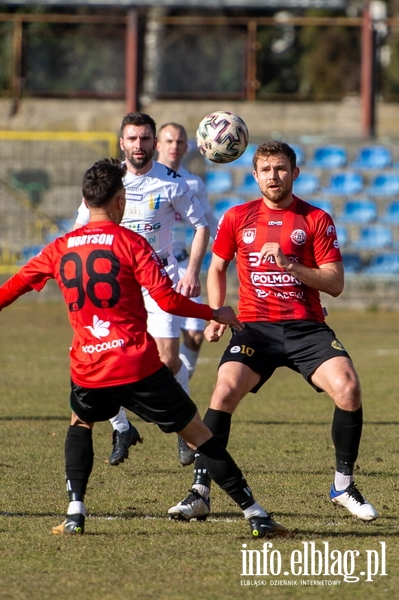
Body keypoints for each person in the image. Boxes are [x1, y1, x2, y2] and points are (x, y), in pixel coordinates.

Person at [0, 158, 291, 539]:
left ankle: (75, 513)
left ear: (85, 202)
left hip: (90, 368)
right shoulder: (130, 242)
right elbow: (168, 301)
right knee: (200, 435)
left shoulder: (60, 247)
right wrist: (212, 312)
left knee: (81, 422)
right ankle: (256, 514)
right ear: (121, 201)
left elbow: (13, 287)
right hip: (137, 365)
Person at [168, 141, 378, 523]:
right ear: (254, 175)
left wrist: (292, 266)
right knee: (224, 391)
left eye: (281, 169)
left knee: (348, 388)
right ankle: (199, 491)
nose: (273, 176)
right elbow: (216, 268)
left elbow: (335, 283)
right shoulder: (237, 217)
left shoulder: (316, 219)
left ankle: (343, 485)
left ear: (294, 173)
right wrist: (217, 313)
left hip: (306, 328)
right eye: (266, 170)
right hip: (255, 330)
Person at [73, 112, 210, 467]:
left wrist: (191, 272)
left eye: (145, 139)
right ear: (122, 142)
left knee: (166, 360)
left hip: (158, 281)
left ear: (154, 143)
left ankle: (183, 427)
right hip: (114, 287)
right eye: (132, 139)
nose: (139, 145)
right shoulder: (106, 182)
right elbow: (78, 228)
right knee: (104, 358)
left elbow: (201, 227)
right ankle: (122, 427)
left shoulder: (173, 183)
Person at [156, 122, 218, 381]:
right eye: (169, 141)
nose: (174, 146)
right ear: (158, 145)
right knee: (156, 338)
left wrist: (234, 247)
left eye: (180, 141)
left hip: (182, 265)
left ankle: (176, 387)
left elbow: (208, 222)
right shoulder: (146, 178)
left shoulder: (193, 183)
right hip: (153, 266)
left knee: (194, 334)